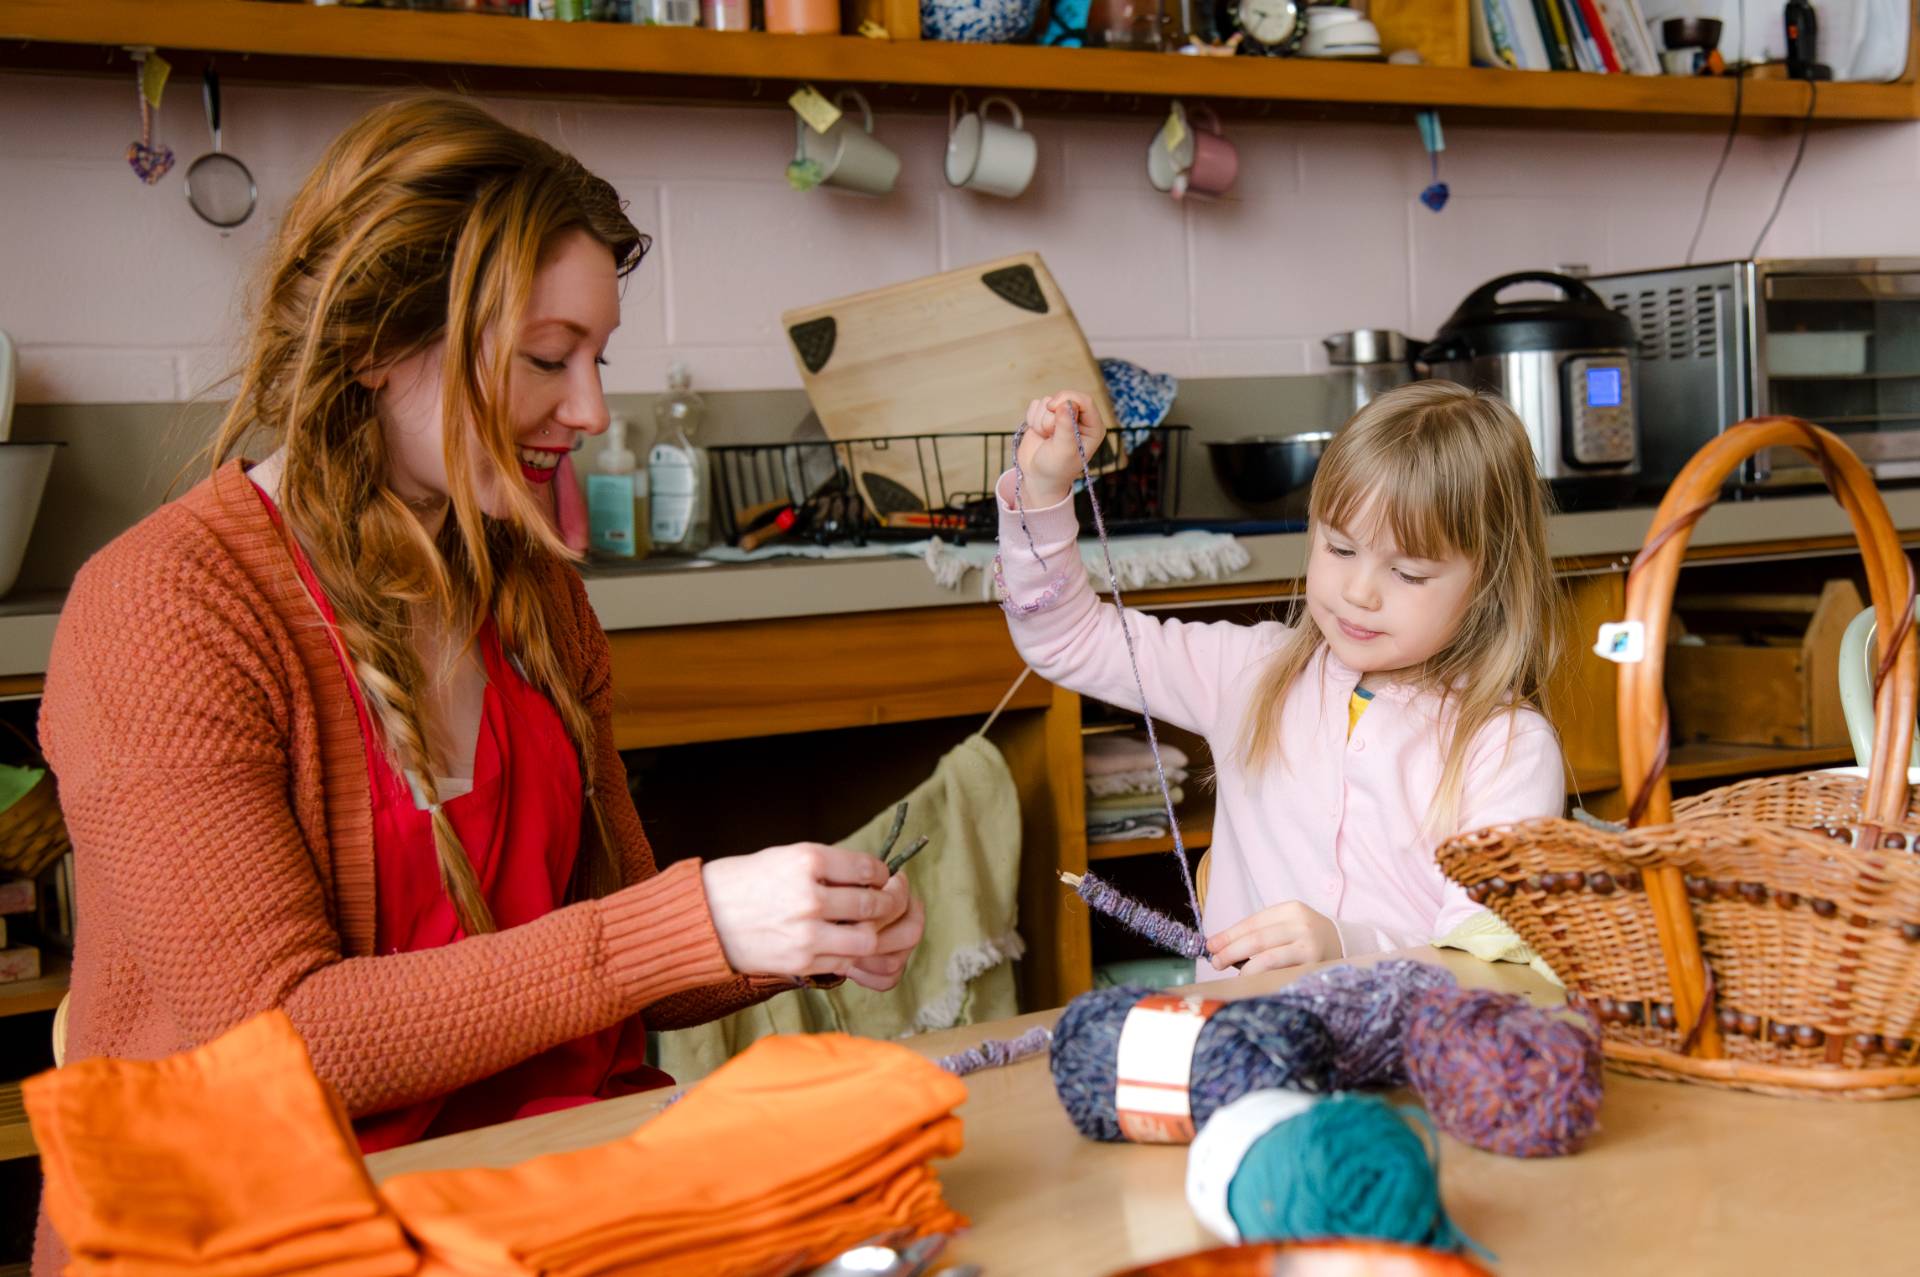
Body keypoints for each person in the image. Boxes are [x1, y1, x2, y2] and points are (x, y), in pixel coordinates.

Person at [35, 92, 926, 1213]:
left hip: (551, 1194)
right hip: (274, 1225)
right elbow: (278, 1039)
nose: (592, 408)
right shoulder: (167, 609)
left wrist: (792, 924)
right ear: (372, 346)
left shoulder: (535, 590)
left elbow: (609, 952)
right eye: (548, 358)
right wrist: (695, 919)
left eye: (598, 355)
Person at [997, 381, 1565, 978]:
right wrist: (1043, 490)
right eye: (1340, 550)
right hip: (1239, 1048)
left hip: (1410, 1065)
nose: (1359, 592)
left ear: (1491, 579)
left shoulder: (1506, 748)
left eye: (1408, 573)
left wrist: (1348, 945)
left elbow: (1495, 967)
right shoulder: (1248, 671)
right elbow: (1066, 640)